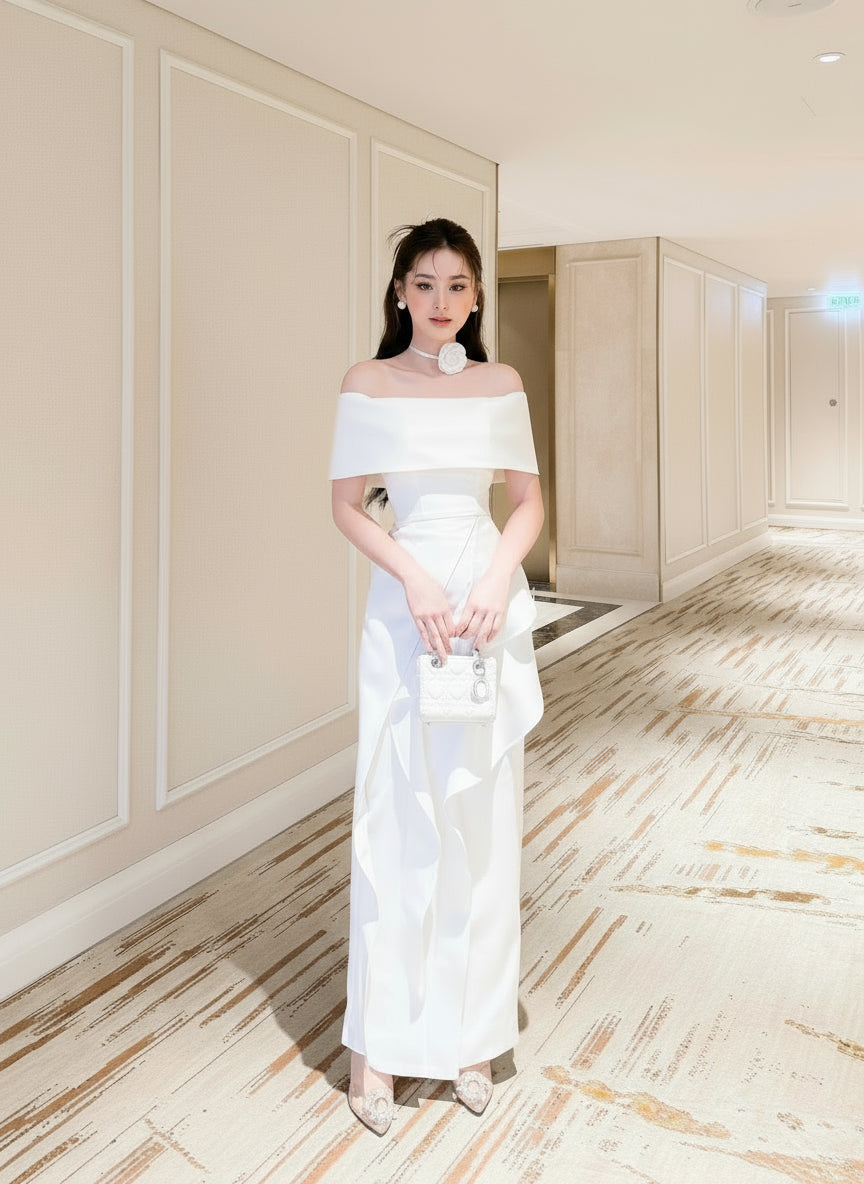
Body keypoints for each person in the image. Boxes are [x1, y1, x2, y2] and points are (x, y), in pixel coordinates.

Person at [329, 217, 544, 1135]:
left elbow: (528, 505)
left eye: (458, 286)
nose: (441, 302)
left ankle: (470, 1036)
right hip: (405, 606)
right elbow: (346, 507)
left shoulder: (501, 383)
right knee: (396, 811)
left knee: (479, 820)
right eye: (424, 284)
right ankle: (376, 1050)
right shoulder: (366, 383)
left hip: (487, 610)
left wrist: (496, 579)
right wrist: (415, 579)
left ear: (478, 296)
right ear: (399, 292)